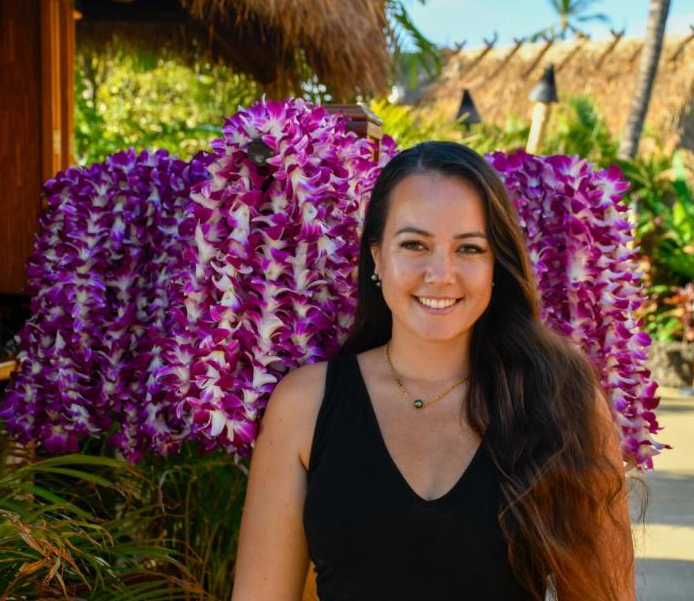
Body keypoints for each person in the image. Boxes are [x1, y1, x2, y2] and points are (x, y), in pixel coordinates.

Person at [232, 141, 634, 600]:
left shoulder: (563, 401)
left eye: (469, 249)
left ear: (495, 266)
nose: (441, 274)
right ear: (377, 258)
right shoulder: (304, 406)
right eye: (415, 244)